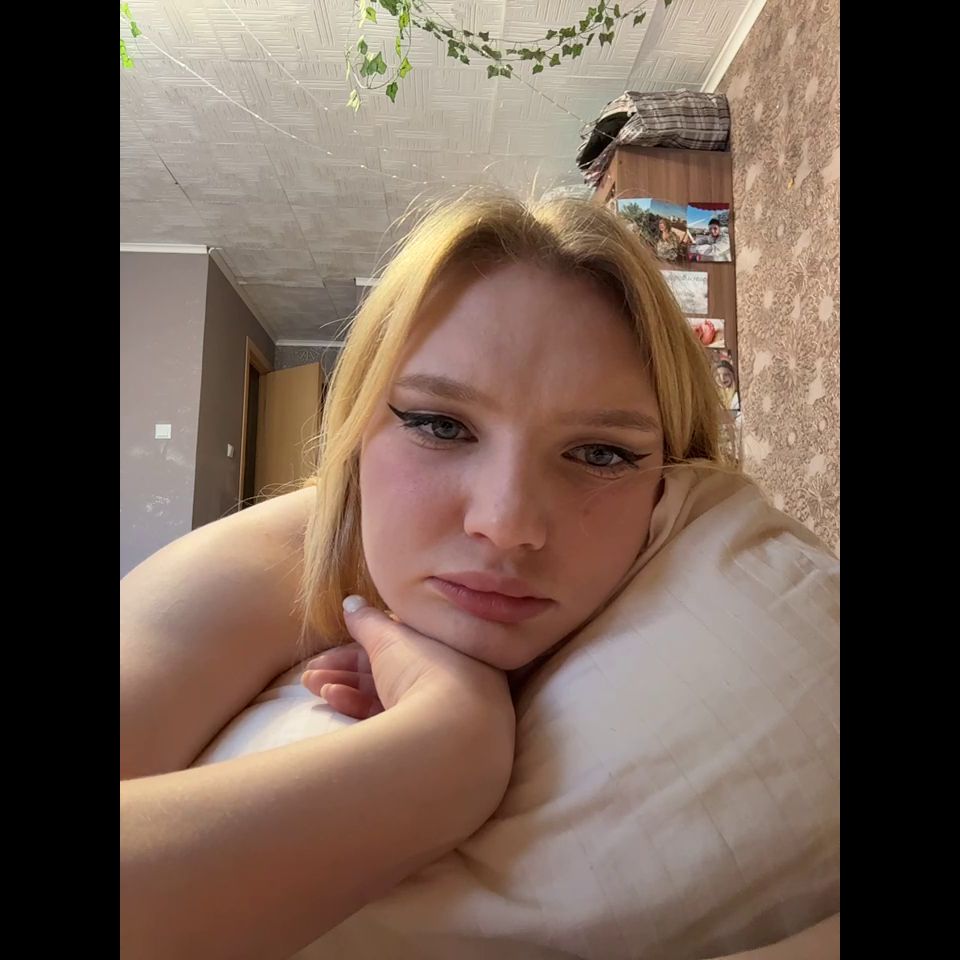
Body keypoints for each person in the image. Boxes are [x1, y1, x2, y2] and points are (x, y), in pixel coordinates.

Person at [121, 193, 837, 959]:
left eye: (600, 454)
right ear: (354, 434)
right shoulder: (254, 566)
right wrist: (444, 753)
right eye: (441, 425)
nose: (507, 523)